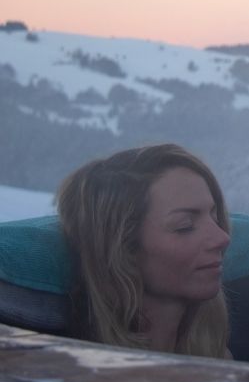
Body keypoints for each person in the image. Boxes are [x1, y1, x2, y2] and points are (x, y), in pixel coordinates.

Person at [57, 143, 231, 358]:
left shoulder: (214, 354)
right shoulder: (83, 375)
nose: (222, 238)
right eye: (185, 226)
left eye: (214, 217)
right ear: (124, 248)